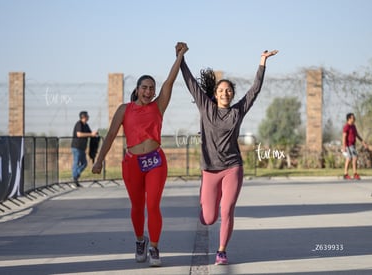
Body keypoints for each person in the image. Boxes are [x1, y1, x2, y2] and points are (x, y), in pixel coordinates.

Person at [178, 43, 278, 265]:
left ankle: (221, 251)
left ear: (232, 95)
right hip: (210, 170)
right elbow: (190, 82)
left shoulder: (237, 111)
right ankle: (207, 202)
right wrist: (181, 58)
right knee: (209, 218)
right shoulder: (206, 107)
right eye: (221, 90)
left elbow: (255, 90)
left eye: (229, 90)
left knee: (228, 209)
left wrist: (262, 63)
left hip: (233, 167)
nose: (225, 93)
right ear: (215, 94)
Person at [92, 43, 187, 267]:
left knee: (153, 205)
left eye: (151, 88)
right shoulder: (124, 109)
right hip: (132, 163)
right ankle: (140, 241)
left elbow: (169, 82)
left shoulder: (158, 106)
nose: (148, 91)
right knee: (137, 206)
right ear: (137, 89)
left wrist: (180, 56)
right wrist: (99, 160)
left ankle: (154, 246)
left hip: (155, 162)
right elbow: (111, 135)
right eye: (144, 87)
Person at [71, 111, 98, 187]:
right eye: (87, 116)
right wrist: (90, 134)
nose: (88, 117)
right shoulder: (79, 124)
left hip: (82, 148)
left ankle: (76, 176)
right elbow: (78, 134)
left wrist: (94, 134)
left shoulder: (86, 125)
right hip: (76, 147)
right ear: (83, 117)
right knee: (76, 162)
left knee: (84, 163)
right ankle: (74, 179)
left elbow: (90, 133)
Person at [342, 113, 367, 180]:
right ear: (349, 119)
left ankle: (346, 174)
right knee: (354, 158)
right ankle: (353, 173)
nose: (354, 119)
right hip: (348, 145)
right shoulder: (346, 126)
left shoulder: (353, 126)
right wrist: (344, 146)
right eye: (353, 118)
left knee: (349, 158)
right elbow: (344, 137)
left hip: (353, 145)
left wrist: (363, 142)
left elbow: (357, 135)